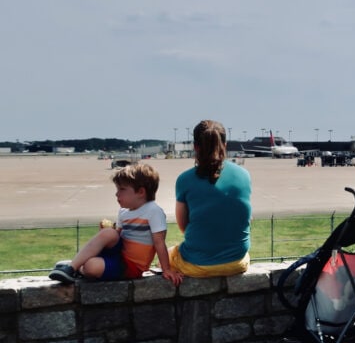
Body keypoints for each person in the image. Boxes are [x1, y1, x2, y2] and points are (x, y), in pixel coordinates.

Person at [49, 162, 180, 285]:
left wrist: (166, 269)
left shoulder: (153, 211)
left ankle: (77, 266)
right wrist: (106, 233)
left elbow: (159, 243)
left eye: (122, 189)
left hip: (131, 266)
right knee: (109, 233)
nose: (117, 193)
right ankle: (71, 267)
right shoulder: (123, 212)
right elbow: (118, 237)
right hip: (119, 255)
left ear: (141, 192)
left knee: (91, 267)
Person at [168, 119, 252, 278]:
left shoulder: (184, 179)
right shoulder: (244, 175)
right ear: (225, 145)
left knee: (168, 254)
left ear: (195, 147)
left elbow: (182, 226)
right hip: (237, 263)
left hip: (198, 265)